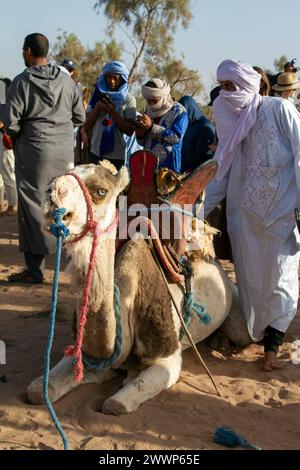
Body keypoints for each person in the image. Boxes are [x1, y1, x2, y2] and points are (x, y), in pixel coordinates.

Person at [204, 59, 300, 372]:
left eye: (231, 85)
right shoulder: (229, 120)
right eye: (222, 86)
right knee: (251, 282)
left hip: (280, 214)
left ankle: (273, 344)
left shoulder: (279, 110)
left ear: (249, 84)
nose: (226, 93)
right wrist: (193, 208)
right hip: (243, 218)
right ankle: (259, 339)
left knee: (281, 278)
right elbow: (220, 172)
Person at [0, 33, 85, 284]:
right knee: (63, 205)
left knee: (33, 208)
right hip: (63, 153)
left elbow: (11, 122)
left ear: (27, 51)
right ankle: (69, 264)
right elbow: (79, 117)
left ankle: (34, 270)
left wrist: (17, 135)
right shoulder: (67, 81)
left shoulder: (22, 81)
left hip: (34, 153)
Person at [83, 61, 137, 170]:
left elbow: (130, 131)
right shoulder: (98, 95)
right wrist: (97, 109)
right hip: (95, 152)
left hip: (116, 156)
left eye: (115, 78)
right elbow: (87, 125)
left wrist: (113, 113)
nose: (111, 81)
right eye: (109, 77)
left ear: (122, 79)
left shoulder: (128, 100)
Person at [136, 79, 188, 173]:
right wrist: (140, 135)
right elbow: (144, 142)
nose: (151, 104)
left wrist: (151, 127)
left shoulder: (179, 112)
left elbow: (176, 137)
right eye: (149, 101)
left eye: (154, 100)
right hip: (148, 164)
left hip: (169, 165)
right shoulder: (148, 111)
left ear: (162, 96)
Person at [178, 95, 215, 172]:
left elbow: (202, 155)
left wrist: (180, 161)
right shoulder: (186, 124)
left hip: (195, 173)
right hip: (181, 169)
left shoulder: (205, 127)